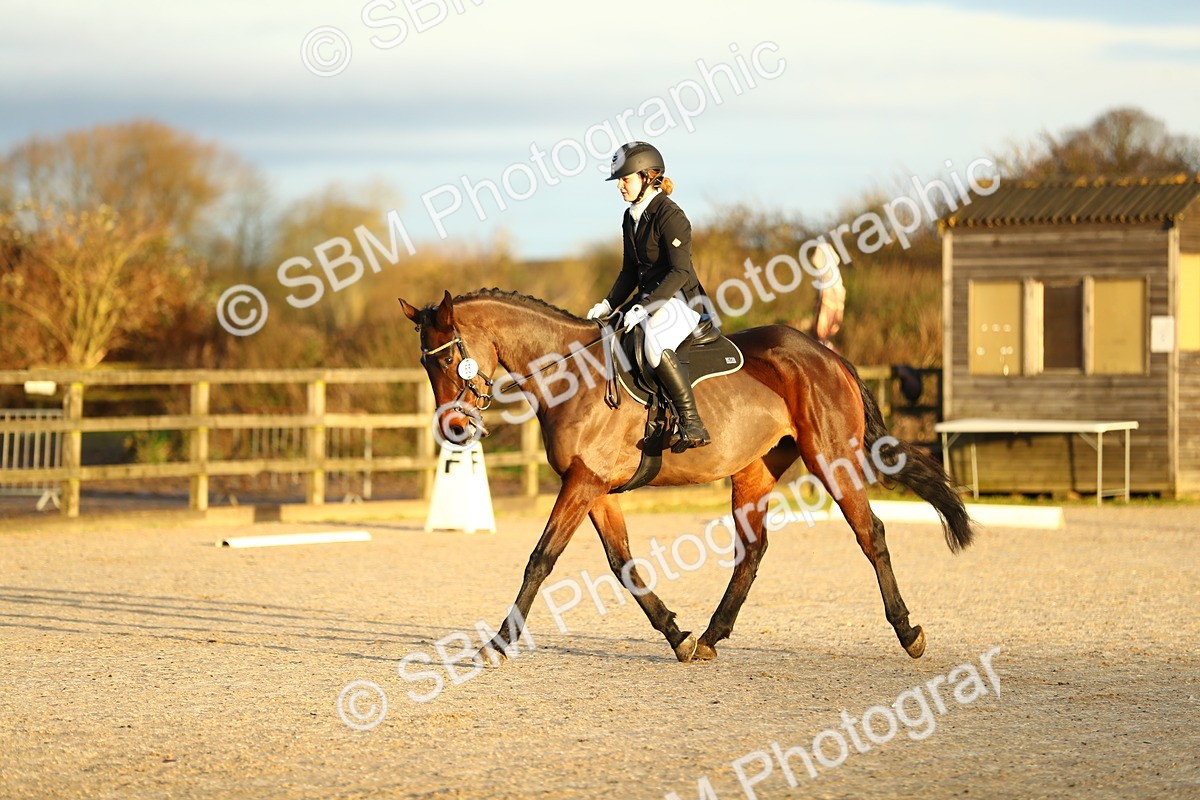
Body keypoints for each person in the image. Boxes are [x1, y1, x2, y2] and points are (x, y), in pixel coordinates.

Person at [585, 141, 712, 449]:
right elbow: (629, 271)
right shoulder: (630, 217)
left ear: (646, 177)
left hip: (682, 300)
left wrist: (646, 308)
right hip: (649, 301)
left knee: (654, 345)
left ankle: (692, 423)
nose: (619, 186)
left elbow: (680, 271)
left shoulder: (671, 216)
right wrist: (608, 304)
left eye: (624, 179)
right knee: (609, 338)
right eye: (619, 180)